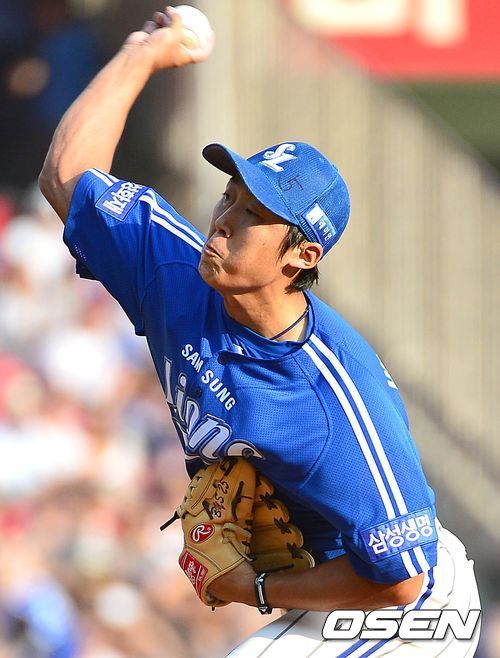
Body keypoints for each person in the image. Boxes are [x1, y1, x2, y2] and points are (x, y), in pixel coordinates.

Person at [39, 7, 481, 658]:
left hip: (408, 602)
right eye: (229, 197)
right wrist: (142, 53)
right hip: (335, 584)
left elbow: (401, 576)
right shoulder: (176, 270)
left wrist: (257, 588)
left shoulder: (330, 400)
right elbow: (66, 176)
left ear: (302, 255)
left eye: (253, 215)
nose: (222, 220)